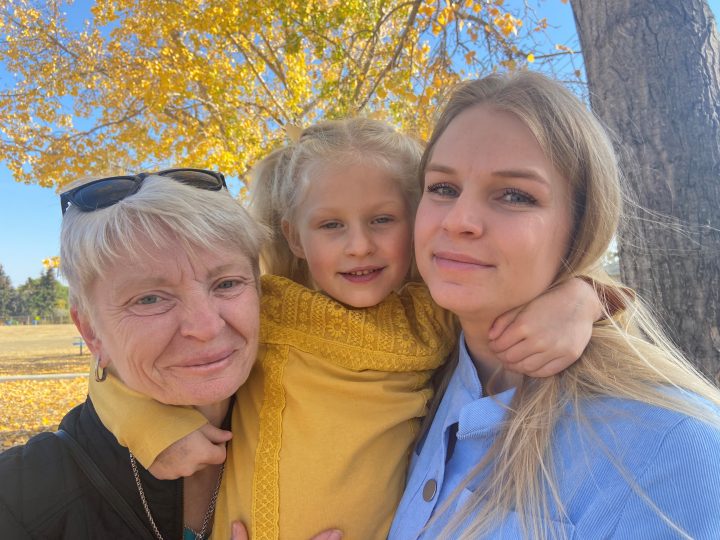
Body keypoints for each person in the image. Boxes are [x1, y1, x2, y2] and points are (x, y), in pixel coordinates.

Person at [89, 119, 609, 539]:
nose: (358, 246)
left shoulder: (436, 313)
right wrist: (155, 429)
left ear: (416, 223)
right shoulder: (269, 308)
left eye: (382, 220)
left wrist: (582, 298)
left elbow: (537, 287)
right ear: (295, 238)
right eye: (331, 225)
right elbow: (111, 373)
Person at [388, 71, 720, 539]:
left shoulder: (670, 448)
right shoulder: (402, 370)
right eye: (443, 187)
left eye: (515, 195)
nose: (459, 220)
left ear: (581, 226)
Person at [0, 169, 268, 539]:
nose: (206, 326)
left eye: (227, 283)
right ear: (91, 332)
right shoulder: (19, 501)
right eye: (149, 298)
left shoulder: (318, 427)